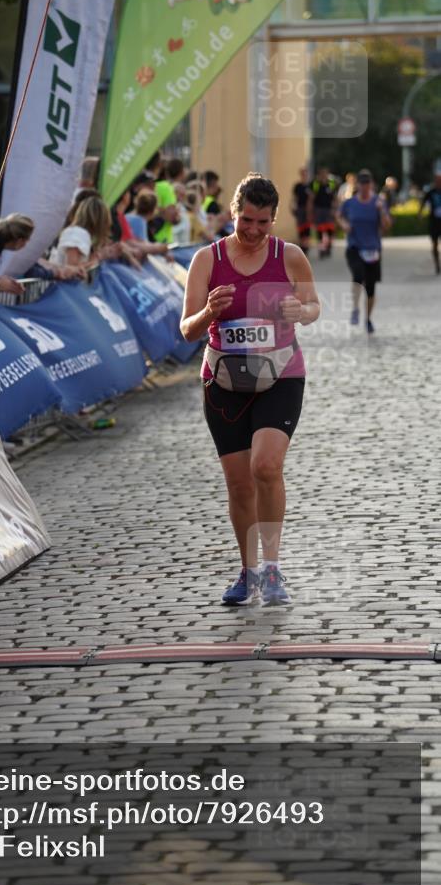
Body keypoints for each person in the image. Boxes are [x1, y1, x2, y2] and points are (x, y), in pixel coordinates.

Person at [180, 173, 320, 606]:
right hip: (224, 382)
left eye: (263, 222)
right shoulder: (208, 259)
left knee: (266, 466)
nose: (254, 231)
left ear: (274, 219)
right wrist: (208, 311)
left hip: (280, 375)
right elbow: (186, 331)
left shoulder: (289, 256)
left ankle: (274, 568)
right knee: (240, 484)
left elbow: (314, 307)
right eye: (246, 221)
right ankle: (248, 571)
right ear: (233, 214)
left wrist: (301, 309)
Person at [338, 168, 391, 333]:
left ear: (372, 185)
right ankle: (355, 308)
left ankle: (368, 319)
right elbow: (339, 215)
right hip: (355, 247)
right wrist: (344, 225)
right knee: (358, 276)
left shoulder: (378, 202)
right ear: (358, 186)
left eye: (368, 185)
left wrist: (381, 211)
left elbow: (387, 225)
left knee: (371, 287)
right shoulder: (350, 203)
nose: (366, 188)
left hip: (373, 249)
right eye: (362, 185)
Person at [310, 167, 338, 258]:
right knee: (320, 231)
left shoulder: (331, 183)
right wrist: (311, 211)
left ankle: (328, 247)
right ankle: (322, 249)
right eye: (322, 174)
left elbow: (334, 197)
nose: (324, 175)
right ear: (319, 175)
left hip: (329, 210)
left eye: (325, 173)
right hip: (319, 210)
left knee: (330, 230)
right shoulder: (316, 184)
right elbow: (312, 198)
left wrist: (335, 209)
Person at [419, 171, 441, 275]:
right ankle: (437, 264)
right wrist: (420, 213)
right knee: (434, 244)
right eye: (437, 180)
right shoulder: (431, 192)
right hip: (434, 222)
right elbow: (423, 202)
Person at [290, 168, 311, 255]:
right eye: (303, 174)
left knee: (307, 228)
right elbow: (294, 198)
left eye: (305, 174)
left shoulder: (310, 186)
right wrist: (292, 206)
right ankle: (302, 246)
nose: (304, 176)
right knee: (300, 227)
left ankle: (306, 246)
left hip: (308, 210)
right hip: (300, 209)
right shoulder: (297, 186)